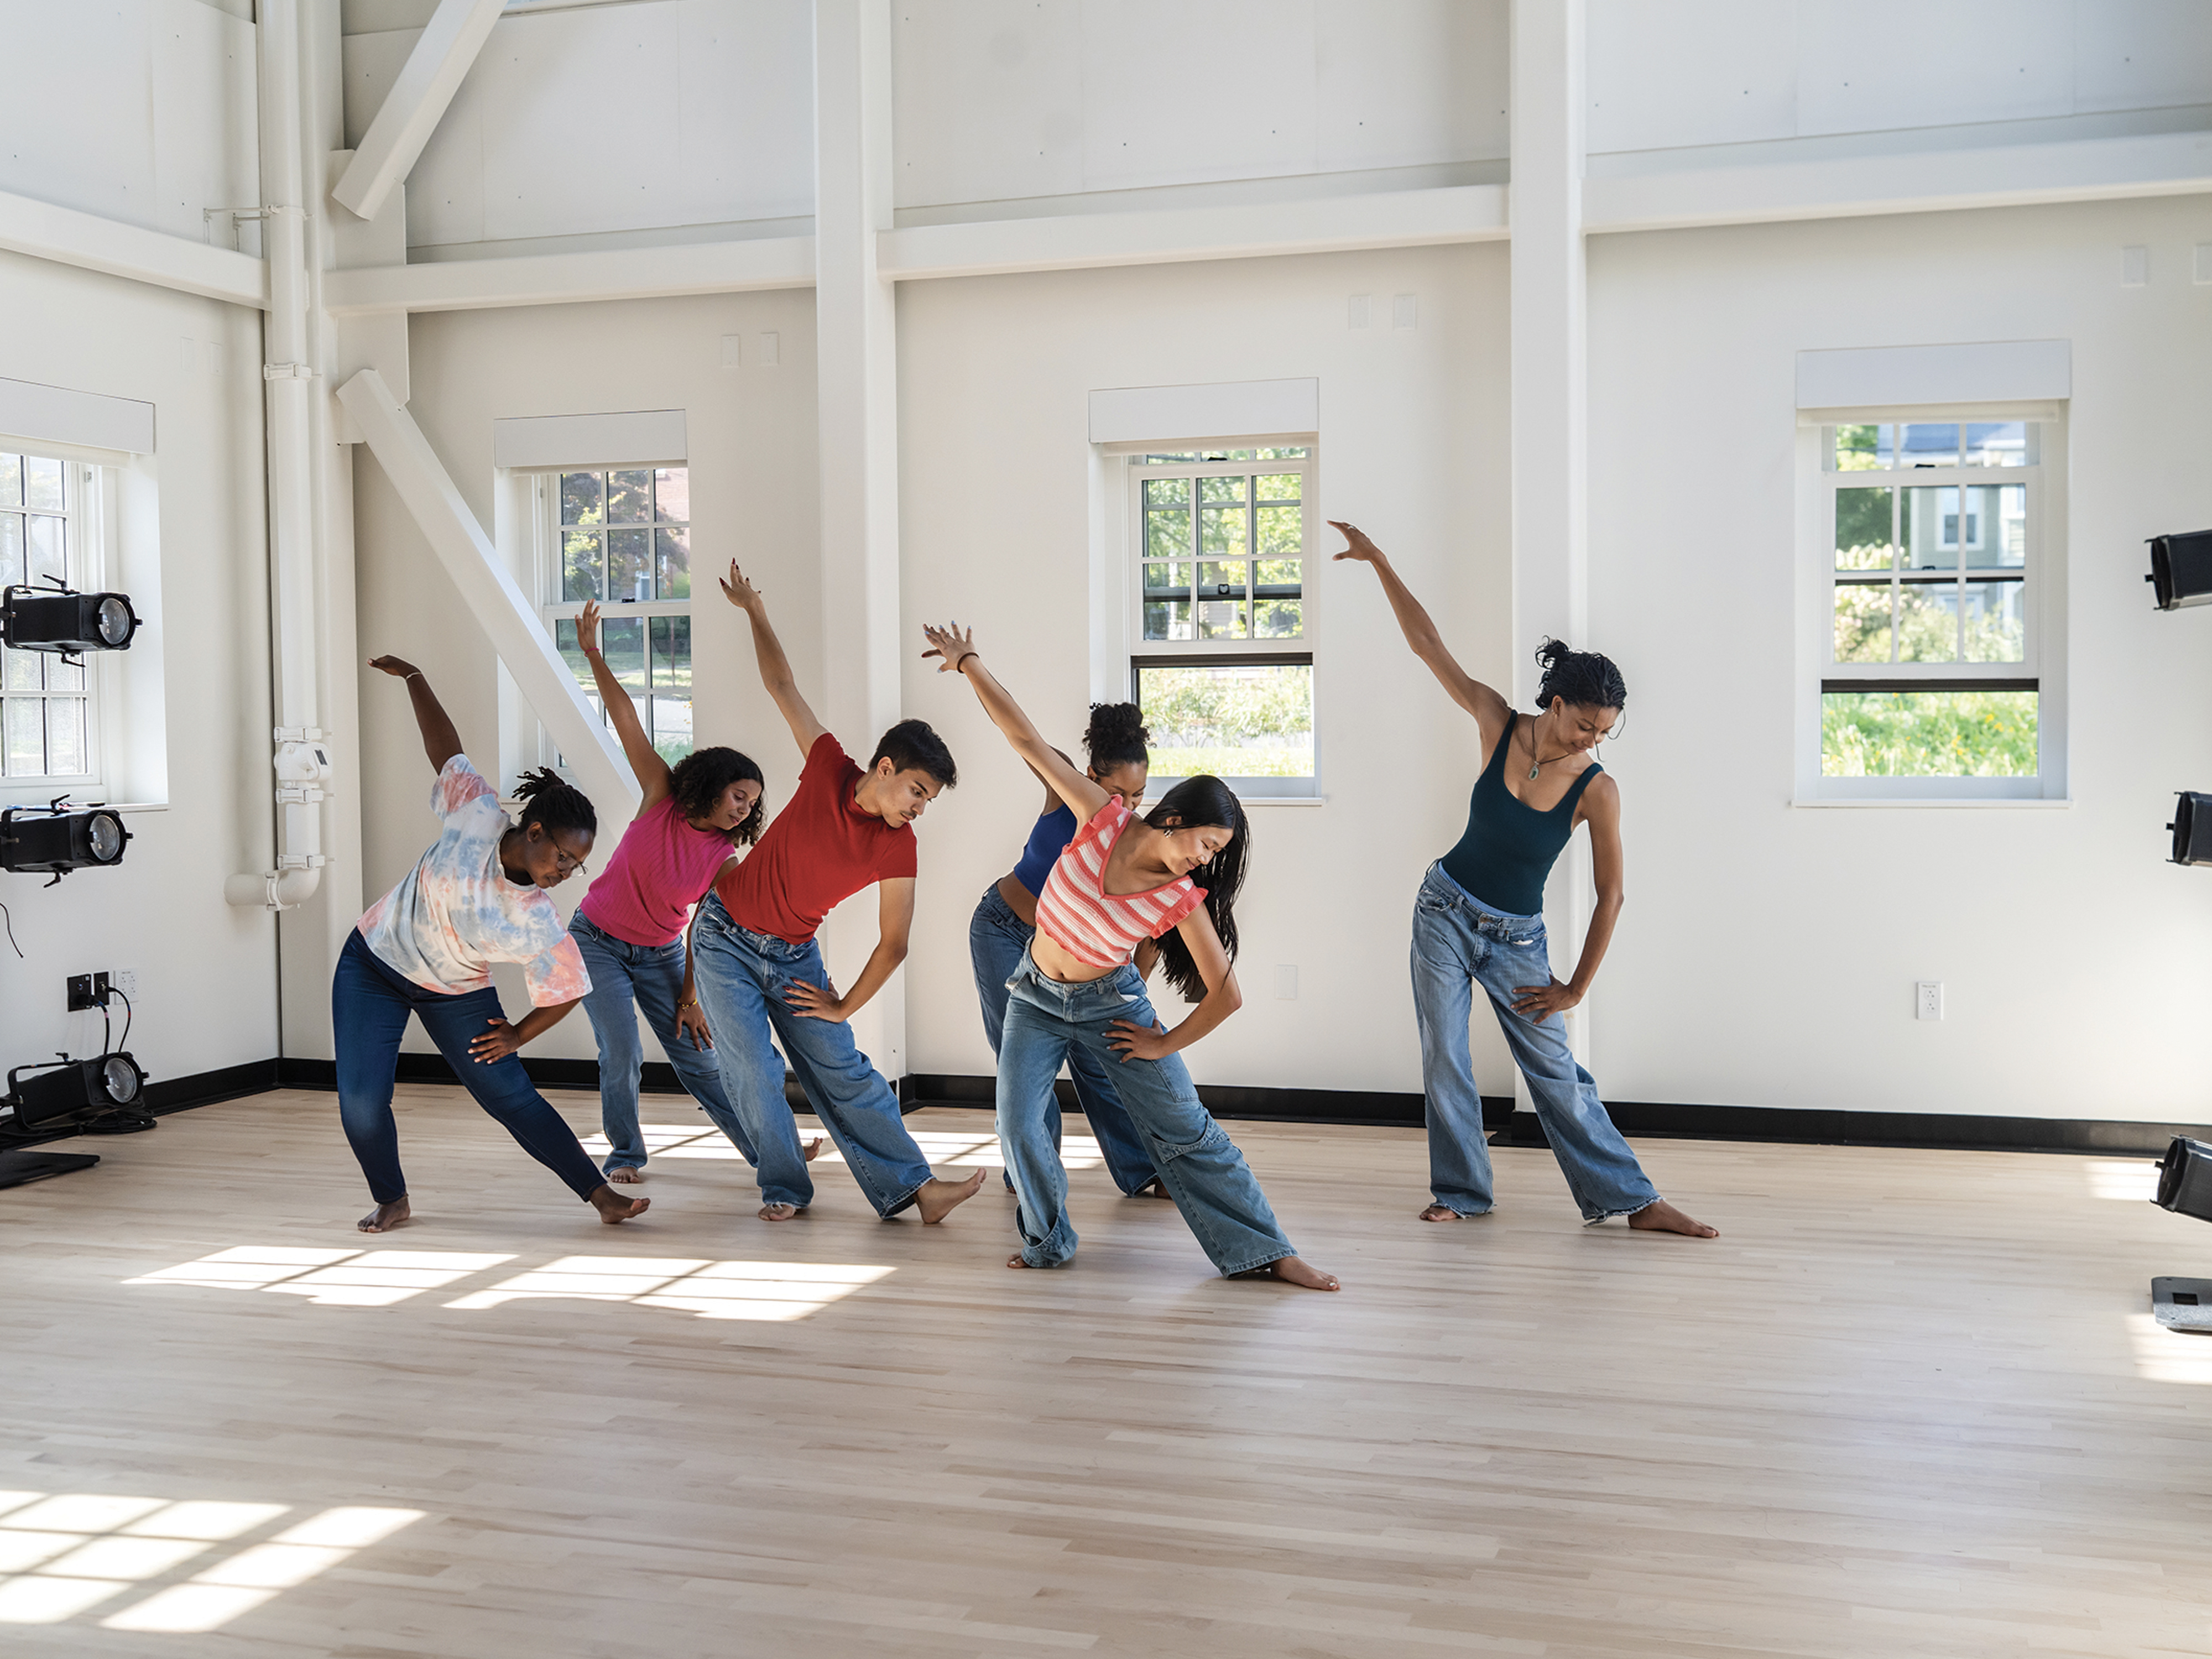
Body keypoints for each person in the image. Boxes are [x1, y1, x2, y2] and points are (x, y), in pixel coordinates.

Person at [924, 619, 1339, 1291]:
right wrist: (969, 661)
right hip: (1034, 995)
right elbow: (1025, 738)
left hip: (1108, 1003)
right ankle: (1048, 1241)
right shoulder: (1099, 816)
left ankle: (1267, 1250)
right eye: (1206, 845)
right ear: (1172, 820)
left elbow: (1226, 995)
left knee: (1185, 1129)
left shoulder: (1181, 899)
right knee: (1019, 1124)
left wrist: (1163, 1041)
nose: (1206, 863)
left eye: (1215, 856)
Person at [1331, 521, 1715, 1237]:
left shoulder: (1598, 791)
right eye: (1584, 727)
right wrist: (1381, 560)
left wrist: (1575, 986)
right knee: (1445, 1054)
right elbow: (1428, 646)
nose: (1591, 741)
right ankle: (1463, 1191)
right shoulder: (1496, 723)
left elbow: (1612, 896)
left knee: (1555, 1073)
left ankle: (1633, 1199)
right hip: (1443, 910)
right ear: (1557, 704)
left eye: (1605, 732)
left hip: (1517, 939)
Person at [691, 562, 987, 1225]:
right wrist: (754, 611)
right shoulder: (827, 767)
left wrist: (844, 1002)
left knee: (845, 1071)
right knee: (756, 1073)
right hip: (722, 940)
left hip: (794, 955)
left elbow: (895, 943)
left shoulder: (898, 845)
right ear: (885, 769)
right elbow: (781, 684)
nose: (920, 808)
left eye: (929, 801)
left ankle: (916, 1190)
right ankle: (785, 1187)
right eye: (917, 791)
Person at [336, 655, 650, 1234]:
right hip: (373, 963)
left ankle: (599, 1193)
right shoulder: (475, 812)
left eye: (577, 867)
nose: (565, 872)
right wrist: (415, 676)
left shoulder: (536, 917)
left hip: (455, 991)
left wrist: (517, 1035)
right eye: (563, 857)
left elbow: (566, 990)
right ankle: (392, 1197)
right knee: (360, 1101)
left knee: (509, 1096)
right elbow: (444, 748)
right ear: (534, 832)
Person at [564, 598, 821, 1183]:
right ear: (710, 785)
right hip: (595, 941)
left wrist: (690, 996)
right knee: (622, 1052)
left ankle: (768, 1151)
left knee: (701, 1062)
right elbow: (626, 719)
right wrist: (592, 654)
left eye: (753, 803)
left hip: (662, 954)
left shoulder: (723, 862)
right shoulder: (660, 796)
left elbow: (707, 934)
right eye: (739, 795)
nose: (745, 808)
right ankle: (626, 1154)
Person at [968, 702, 1163, 1199]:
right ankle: (1033, 1173)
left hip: (1064, 956)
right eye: (1118, 793)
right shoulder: (1065, 788)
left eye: (1139, 795)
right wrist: (970, 667)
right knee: (1022, 1058)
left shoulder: (1133, 837)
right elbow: (1019, 730)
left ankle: (1141, 1170)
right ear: (1093, 776)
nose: (1128, 806)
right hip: (1002, 929)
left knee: (1097, 1057)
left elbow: (1142, 934)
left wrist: (1130, 997)